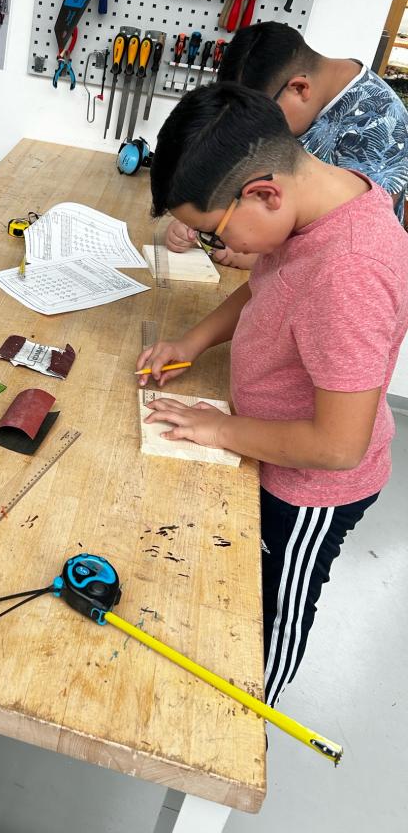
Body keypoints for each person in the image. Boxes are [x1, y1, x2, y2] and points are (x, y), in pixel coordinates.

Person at [137, 83, 408, 708]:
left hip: (310, 491)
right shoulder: (321, 198)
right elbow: (267, 282)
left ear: (263, 193)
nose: (221, 250)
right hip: (271, 442)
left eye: (214, 235)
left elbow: (339, 447)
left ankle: (249, 716)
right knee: (235, 586)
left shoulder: (351, 272)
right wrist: (193, 340)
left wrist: (218, 428)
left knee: (270, 616)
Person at [166, 22, 408, 265]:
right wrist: (205, 216)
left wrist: (251, 255)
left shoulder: (382, 123)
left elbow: (357, 234)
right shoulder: (308, 98)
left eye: (264, 114)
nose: (258, 127)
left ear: (299, 88)